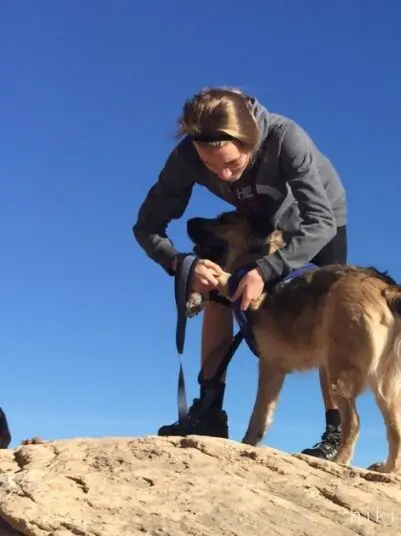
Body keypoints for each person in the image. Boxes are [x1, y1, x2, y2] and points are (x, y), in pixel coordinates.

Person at [133, 87, 350, 460]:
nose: (224, 176)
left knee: (327, 313)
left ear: (251, 140)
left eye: (232, 164)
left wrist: (267, 269)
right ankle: (209, 412)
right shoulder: (187, 156)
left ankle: (336, 430)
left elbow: (320, 222)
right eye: (212, 168)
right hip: (254, 221)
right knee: (219, 289)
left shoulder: (285, 139)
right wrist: (180, 263)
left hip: (317, 221)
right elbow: (147, 227)